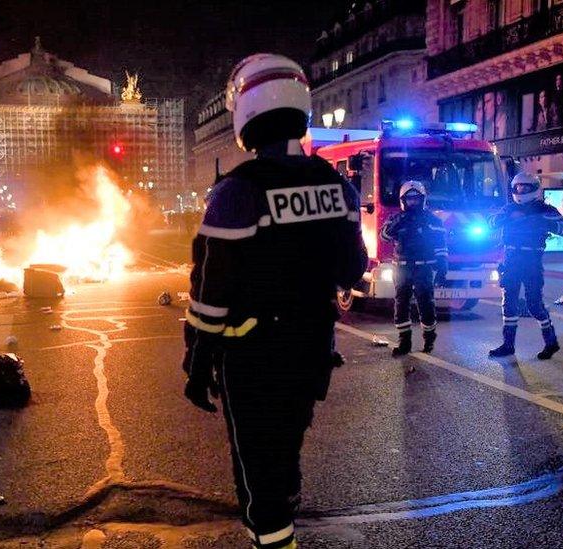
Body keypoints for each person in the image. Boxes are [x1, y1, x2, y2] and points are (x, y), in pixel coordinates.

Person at [181, 53, 367, 549]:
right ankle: (280, 517)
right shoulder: (338, 186)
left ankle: (275, 536)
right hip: (312, 352)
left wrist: (197, 366)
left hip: (254, 359)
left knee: (258, 474)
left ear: (244, 113)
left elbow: (210, 295)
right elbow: (353, 269)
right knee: (284, 454)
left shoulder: (237, 191)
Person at [488, 173, 563, 359]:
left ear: (534, 188)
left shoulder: (545, 209)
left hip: (532, 262)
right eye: (518, 188)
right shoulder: (508, 209)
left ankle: (551, 342)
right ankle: (508, 345)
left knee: (534, 305)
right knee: (509, 304)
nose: (521, 191)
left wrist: (542, 220)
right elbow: (491, 223)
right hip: (510, 262)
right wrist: (505, 218)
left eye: (525, 187)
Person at [380, 181, 448, 356]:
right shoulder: (396, 218)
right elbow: (384, 236)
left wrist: (442, 268)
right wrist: (396, 224)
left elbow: (441, 246)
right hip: (401, 268)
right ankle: (404, 342)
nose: (413, 202)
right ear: (403, 200)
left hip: (423, 268)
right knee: (401, 304)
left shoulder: (433, 220)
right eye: (409, 199)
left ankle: (429, 337)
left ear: (422, 199)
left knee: (426, 304)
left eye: (416, 198)